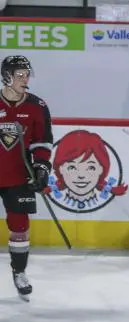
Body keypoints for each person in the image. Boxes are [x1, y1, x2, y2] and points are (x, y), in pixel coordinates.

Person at [0, 55, 53, 301]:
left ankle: (19, 272)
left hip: (18, 177)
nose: (25, 79)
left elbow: (42, 143)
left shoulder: (37, 106)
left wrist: (41, 169)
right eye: (20, 75)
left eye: (26, 74)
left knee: (20, 227)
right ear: (7, 77)